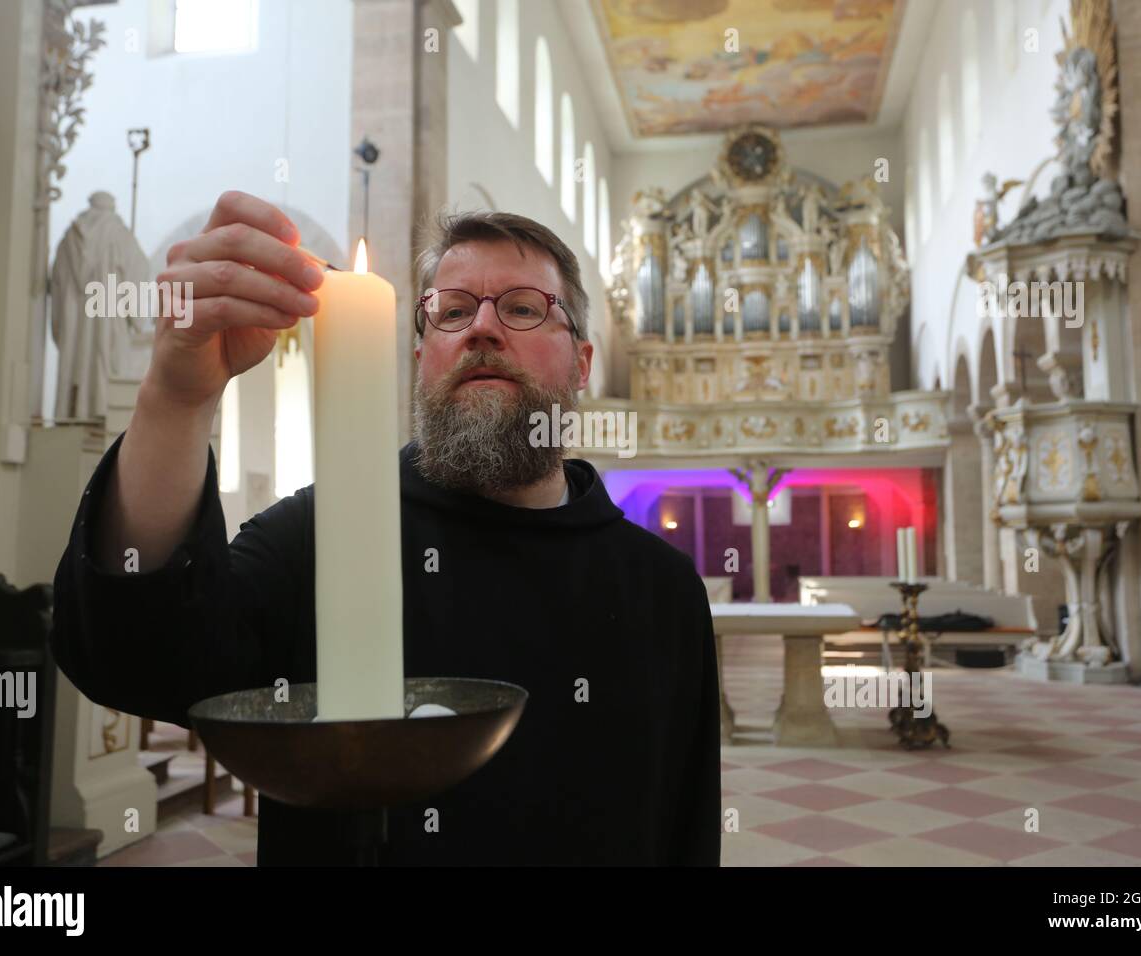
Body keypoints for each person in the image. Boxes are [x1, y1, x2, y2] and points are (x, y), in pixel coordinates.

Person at [49, 191, 721, 866]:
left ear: (581, 365)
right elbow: (133, 657)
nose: (481, 329)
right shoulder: (317, 534)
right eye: (452, 311)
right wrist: (176, 398)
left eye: (522, 308)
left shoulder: (663, 589)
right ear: (421, 355)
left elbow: (686, 827)